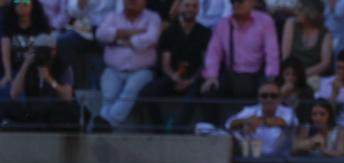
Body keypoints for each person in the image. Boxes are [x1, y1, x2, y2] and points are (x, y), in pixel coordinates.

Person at [138, 0, 211, 132]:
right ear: (180, 8)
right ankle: (158, 130)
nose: (190, 9)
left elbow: (205, 62)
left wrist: (191, 80)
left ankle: (177, 129)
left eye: (194, 6)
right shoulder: (169, 32)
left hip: (194, 79)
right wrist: (174, 77)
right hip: (173, 77)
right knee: (146, 93)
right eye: (187, 5)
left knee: (195, 96)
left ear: (198, 10)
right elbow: (166, 62)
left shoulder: (205, 33)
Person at [94, 0, 161, 130]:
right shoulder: (113, 16)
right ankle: (104, 126)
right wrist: (133, 33)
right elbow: (101, 34)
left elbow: (151, 38)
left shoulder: (153, 17)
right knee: (108, 97)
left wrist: (118, 38)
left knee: (129, 92)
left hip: (141, 71)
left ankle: (105, 124)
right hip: (113, 69)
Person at [200, 0, 280, 106]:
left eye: (240, 1)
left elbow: (272, 53)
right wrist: (212, 76)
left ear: (252, 2)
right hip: (232, 74)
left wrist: (270, 78)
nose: (236, 4)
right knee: (208, 89)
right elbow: (213, 53)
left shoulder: (265, 21)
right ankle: (211, 123)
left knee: (268, 93)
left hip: (256, 74)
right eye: (233, 2)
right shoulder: (223, 24)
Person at [3, 32, 82, 130]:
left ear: (54, 51)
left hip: (54, 111)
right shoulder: (29, 66)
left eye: (45, 50)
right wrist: (25, 65)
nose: (42, 54)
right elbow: (14, 94)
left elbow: (67, 97)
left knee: (69, 111)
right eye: (39, 50)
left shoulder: (62, 66)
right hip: (33, 111)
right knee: (6, 107)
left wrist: (49, 79)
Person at [226, 79, 298, 156]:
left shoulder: (287, 111)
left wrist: (261, 121)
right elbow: (229, 124)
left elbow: (291, 122)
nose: (269, 99)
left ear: (279, 98)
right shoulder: (250, 110)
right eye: (264, 96)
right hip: (254, 154)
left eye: (273, 96)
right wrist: (246, 121)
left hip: (280, 156)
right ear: (259, 98)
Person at [1, 0, 52, 97]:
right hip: (14, 69)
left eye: (25, 1)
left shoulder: (41, 25)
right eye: (17, 1)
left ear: (33, 4)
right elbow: (5, 48)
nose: (21, 4)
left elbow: (48, 50)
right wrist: (7, 73)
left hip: (35, 69)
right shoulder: (7, 21)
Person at [280, 0, 332, 86]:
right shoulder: (291, 24)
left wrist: (302, 75)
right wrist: (294, 75)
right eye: (296, 9)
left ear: (311, 12)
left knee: (313, 84)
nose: (295, 12)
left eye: (300, 10)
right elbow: (286, 57)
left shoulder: (326, 33)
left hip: (314, 76)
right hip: (291, 74)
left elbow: (325, 63)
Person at [279, 55, 314, 119]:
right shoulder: (275, 89)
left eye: (294, 74)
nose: (290, 77)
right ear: (282, 75)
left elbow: (307, 114)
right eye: (287, 74)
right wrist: (281, 94)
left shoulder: (307, 91)